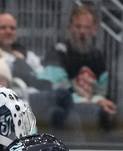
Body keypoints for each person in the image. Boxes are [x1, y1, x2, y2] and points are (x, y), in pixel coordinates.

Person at [41, 3, 118, 132]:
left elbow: (101, 91)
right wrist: (96, 102)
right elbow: (60, 92)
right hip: (61, 109)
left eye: (86, 27)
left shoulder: (98, 56)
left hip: (89, 108)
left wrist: (102, 102)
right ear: (69, 27)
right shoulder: (57, 53)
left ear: (94, 30)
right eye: (78, 26)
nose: (82, 32)